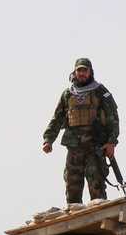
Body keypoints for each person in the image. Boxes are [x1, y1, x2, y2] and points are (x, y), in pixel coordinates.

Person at [42, 58, 119, 204]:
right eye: (79, 70)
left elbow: (113, 118)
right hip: (74, 148)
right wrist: (48, 140)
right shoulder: (68, 94)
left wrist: (111, 142)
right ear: (74, 72)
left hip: (95, 147)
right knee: (72, 188)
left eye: (85, 70)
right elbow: (57, 118)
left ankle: (98, 216)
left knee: (96, 188)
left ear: (90, 72)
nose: (82, 73)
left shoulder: (100, 92)